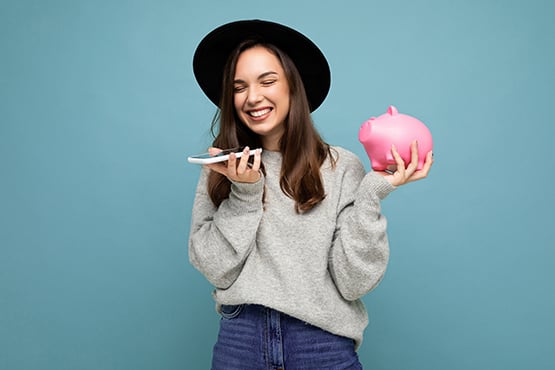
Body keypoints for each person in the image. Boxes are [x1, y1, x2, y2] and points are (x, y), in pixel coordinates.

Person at [188, 19, 433, 370]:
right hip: (241, 341)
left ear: (293, 86)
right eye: (239, 86)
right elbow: (216, 270)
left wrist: (372, 194)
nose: (252, 97)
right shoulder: (221, 167)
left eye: (267, 81)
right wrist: (244, 192)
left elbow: (353, 283)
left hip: (322, 344)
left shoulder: (341, 167)